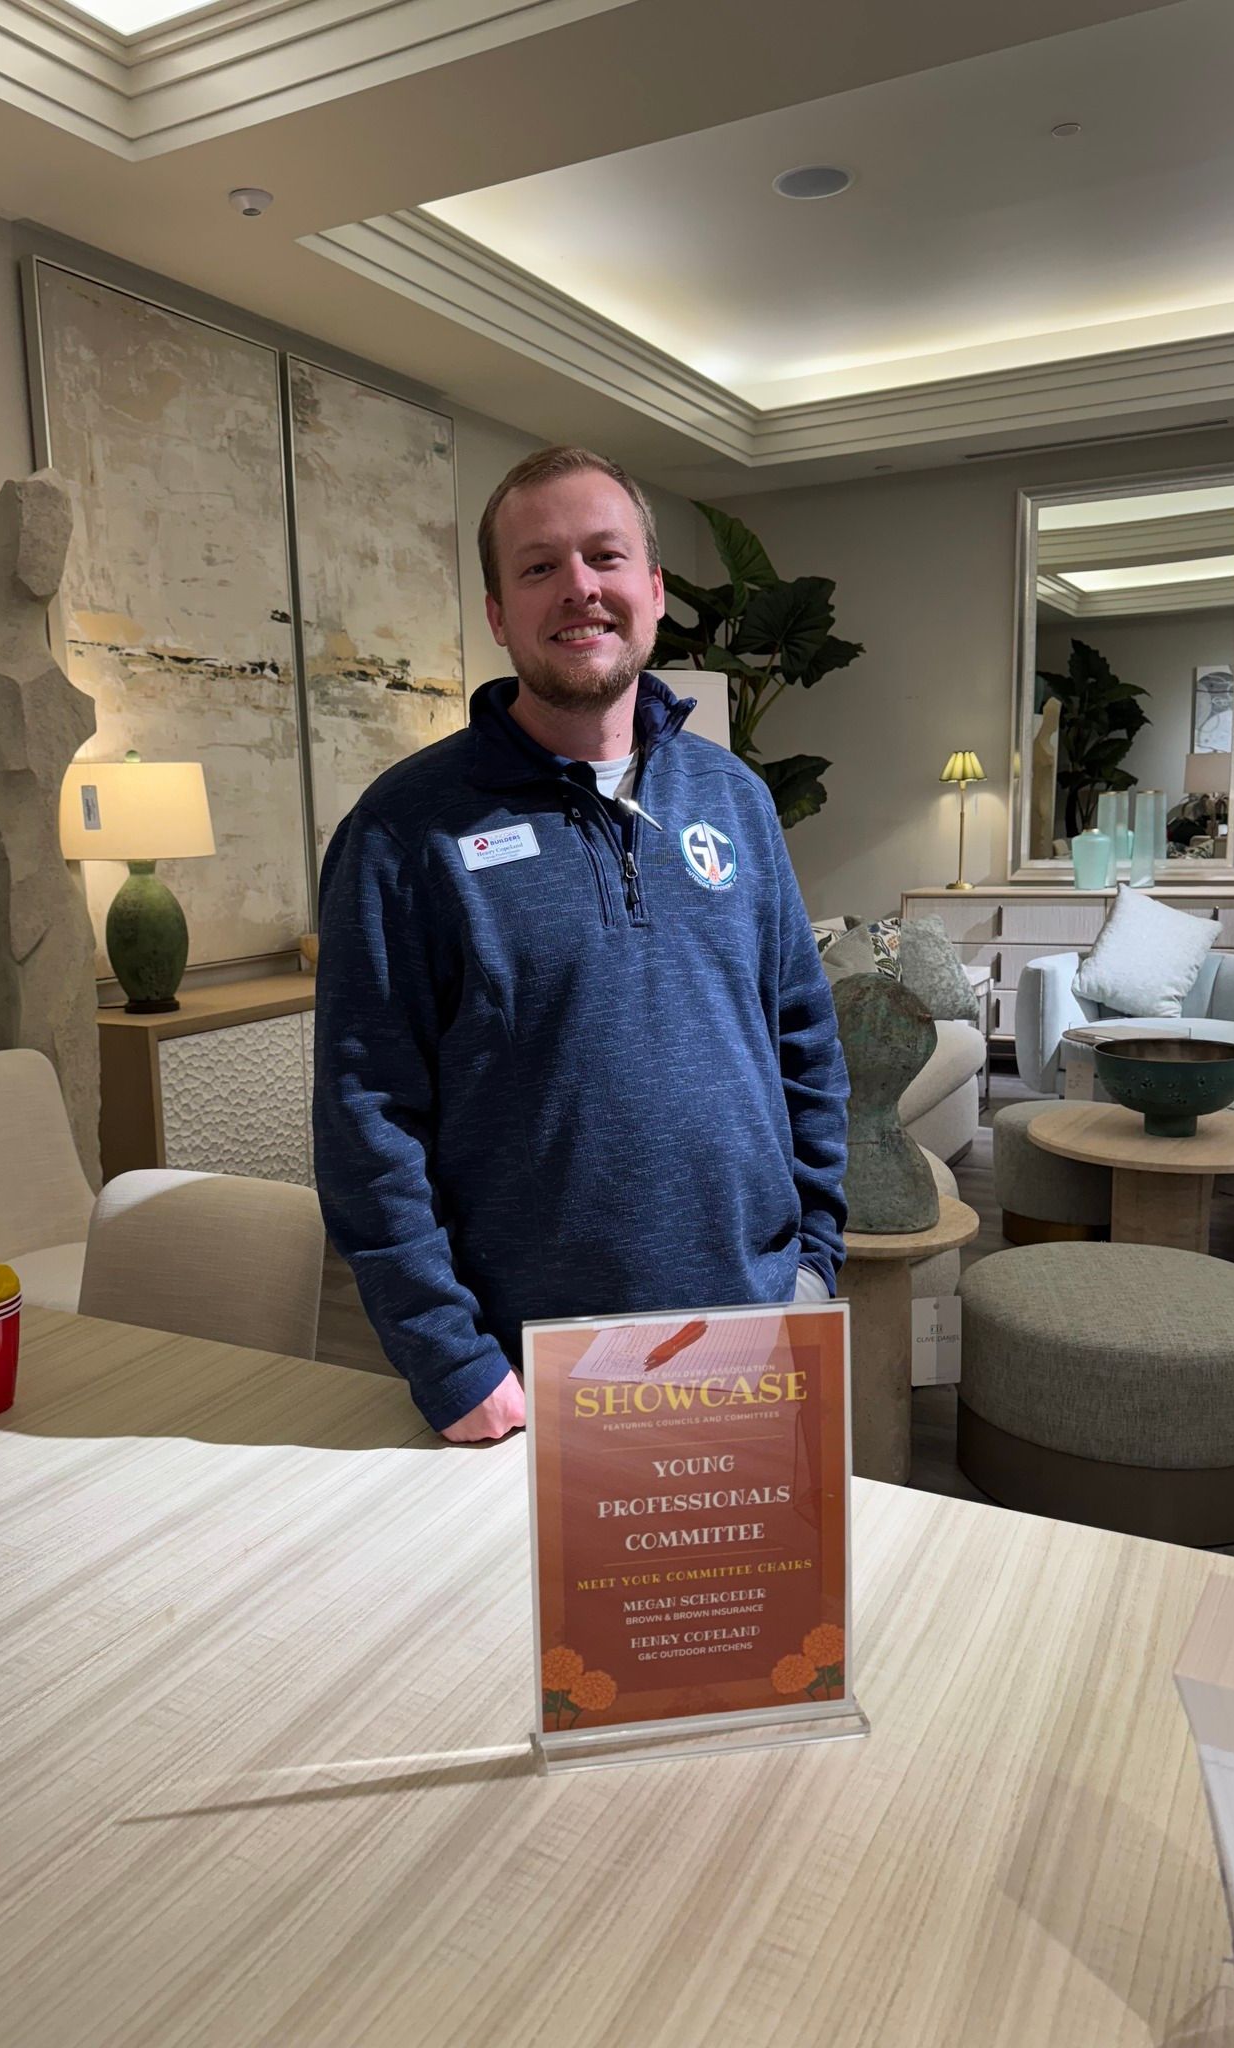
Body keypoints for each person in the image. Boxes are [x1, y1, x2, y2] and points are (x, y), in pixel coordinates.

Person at [313, 446, 848, 1442]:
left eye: (605, 557)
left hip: (758, 1332)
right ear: (498, 613)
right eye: (539, 566)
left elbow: (804, 1043)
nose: (579, 590)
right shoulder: (404, 831)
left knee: (750, 1599)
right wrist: (451, 1357)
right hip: (539, 1381)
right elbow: (366, 1119)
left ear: (651, 587)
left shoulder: (734, 799)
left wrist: (813, 1259)